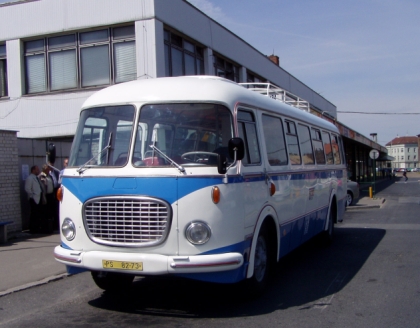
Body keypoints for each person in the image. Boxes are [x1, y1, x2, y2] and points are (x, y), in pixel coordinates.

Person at [24, 165, 43, 233]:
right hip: (34, 198)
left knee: (38, 214)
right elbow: (27, 188)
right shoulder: (30, 178)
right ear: (33, 170)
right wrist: (32, 195)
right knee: (34, 214)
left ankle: (38, 227)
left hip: (38, 197)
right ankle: (33, 229)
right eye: (37, 170)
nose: (38, 171)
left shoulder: (36, 178)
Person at [39, 164, 54, 233]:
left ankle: (51, 227)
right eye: (48, 169)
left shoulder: (49, 176)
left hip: (51, 195)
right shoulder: (41, 176)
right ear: (44, 169)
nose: (49, 170)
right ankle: (45, 228)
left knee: (51, 211)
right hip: (45, 195)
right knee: (45, 211)